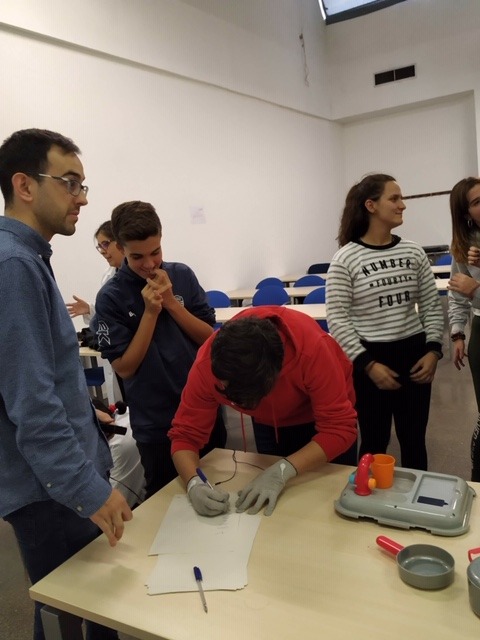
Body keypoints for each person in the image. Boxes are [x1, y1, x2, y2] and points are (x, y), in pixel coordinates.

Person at [0, 128, 132, 640]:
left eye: (83, 185)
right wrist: (89, 491)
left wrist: (82, 407)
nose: (82, 198)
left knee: (80, 610)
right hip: (51, 490)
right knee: (70, 617)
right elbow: (32, 405)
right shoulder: (14, 265)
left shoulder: (26, 257)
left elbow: (35, 376)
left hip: (52, 481)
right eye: (70, 183)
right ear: (25, 186)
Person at [168, 306, 358, 517]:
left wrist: (283, 470)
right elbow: (185, 436)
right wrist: (193, 482)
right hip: (269, 424)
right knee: (276, 512)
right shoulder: (207, 366)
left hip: (320, 420)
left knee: (328, 506)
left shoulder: (312, 350)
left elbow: (339, 429)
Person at [92, 201, 226, 498]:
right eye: (137, 256)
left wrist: (171, 303)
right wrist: (150, 313)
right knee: (167, 499)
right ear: (121, 248)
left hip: (203, 407)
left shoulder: (182, 275)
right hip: (155, 421)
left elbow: (209, 338)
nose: (150, 264)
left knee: (221, 485)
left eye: (156, 252)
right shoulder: (111, 297)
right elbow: (125, 367)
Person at [326, 173, 444, 471]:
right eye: (394, 198)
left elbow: (431, 306)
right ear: (371, 205)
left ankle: (417, 497)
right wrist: (367, 364)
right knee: (374, 441)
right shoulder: (345, 259)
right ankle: (368, 495)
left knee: (414, 440)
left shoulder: (413, 252)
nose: (402, 205)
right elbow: (337, 319)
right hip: (371, 359)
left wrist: (433, 351)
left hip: (414, 355)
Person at [446, 177, 480, 481]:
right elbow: (458, 295)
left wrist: (476, 288)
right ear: (466, 213)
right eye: (477, 202)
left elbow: (470, 289)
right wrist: (457, 334)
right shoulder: (465, 245)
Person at [66, 219, 124, 324]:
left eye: (105, 244)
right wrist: (90, 310)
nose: (102, 251)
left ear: (121, 242)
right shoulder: (108, 276)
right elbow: (109, 316)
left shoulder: (142, 272)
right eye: (100, 247)